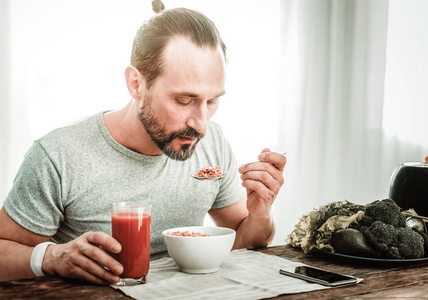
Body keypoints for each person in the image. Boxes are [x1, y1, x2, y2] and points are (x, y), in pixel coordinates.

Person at [0, 5, 286, 285]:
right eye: (184, 100)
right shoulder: (58, 156)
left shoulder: (213, 143)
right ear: (136, 83)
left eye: (211, 101)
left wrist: (260, 212)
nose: (201, 125)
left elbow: (242, 238)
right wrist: (51, 258)